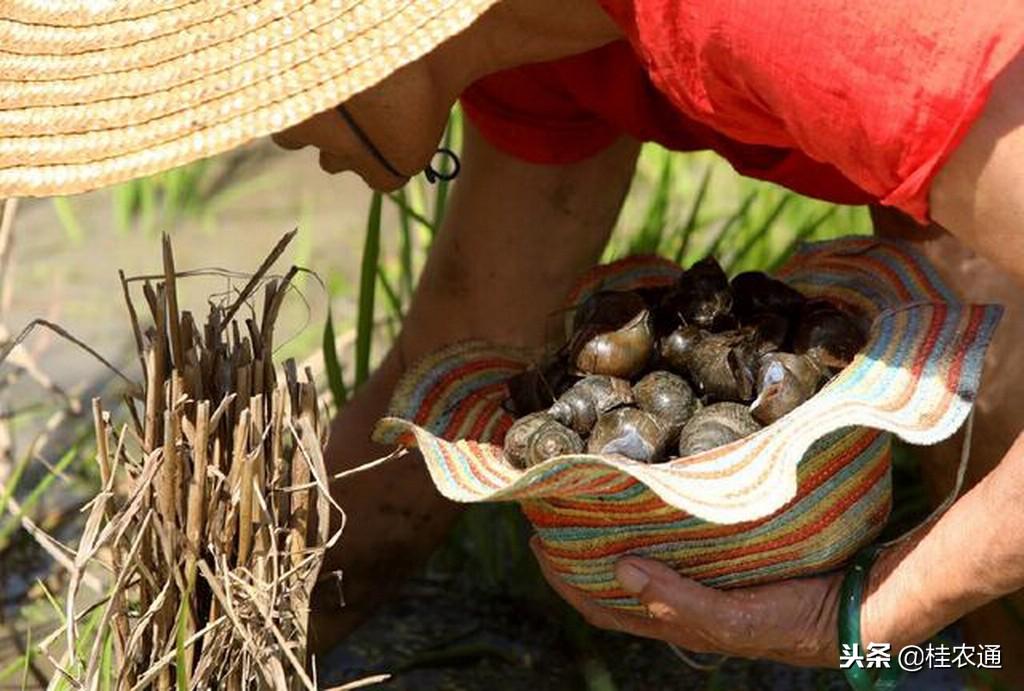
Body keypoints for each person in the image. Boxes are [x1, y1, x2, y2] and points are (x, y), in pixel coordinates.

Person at [3, 0, 1022, 681]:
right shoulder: (542, 47)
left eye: (242, 86)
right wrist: (226, 639)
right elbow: (450, 369)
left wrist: (865, 618)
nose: (253, 132)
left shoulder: (762, 18)